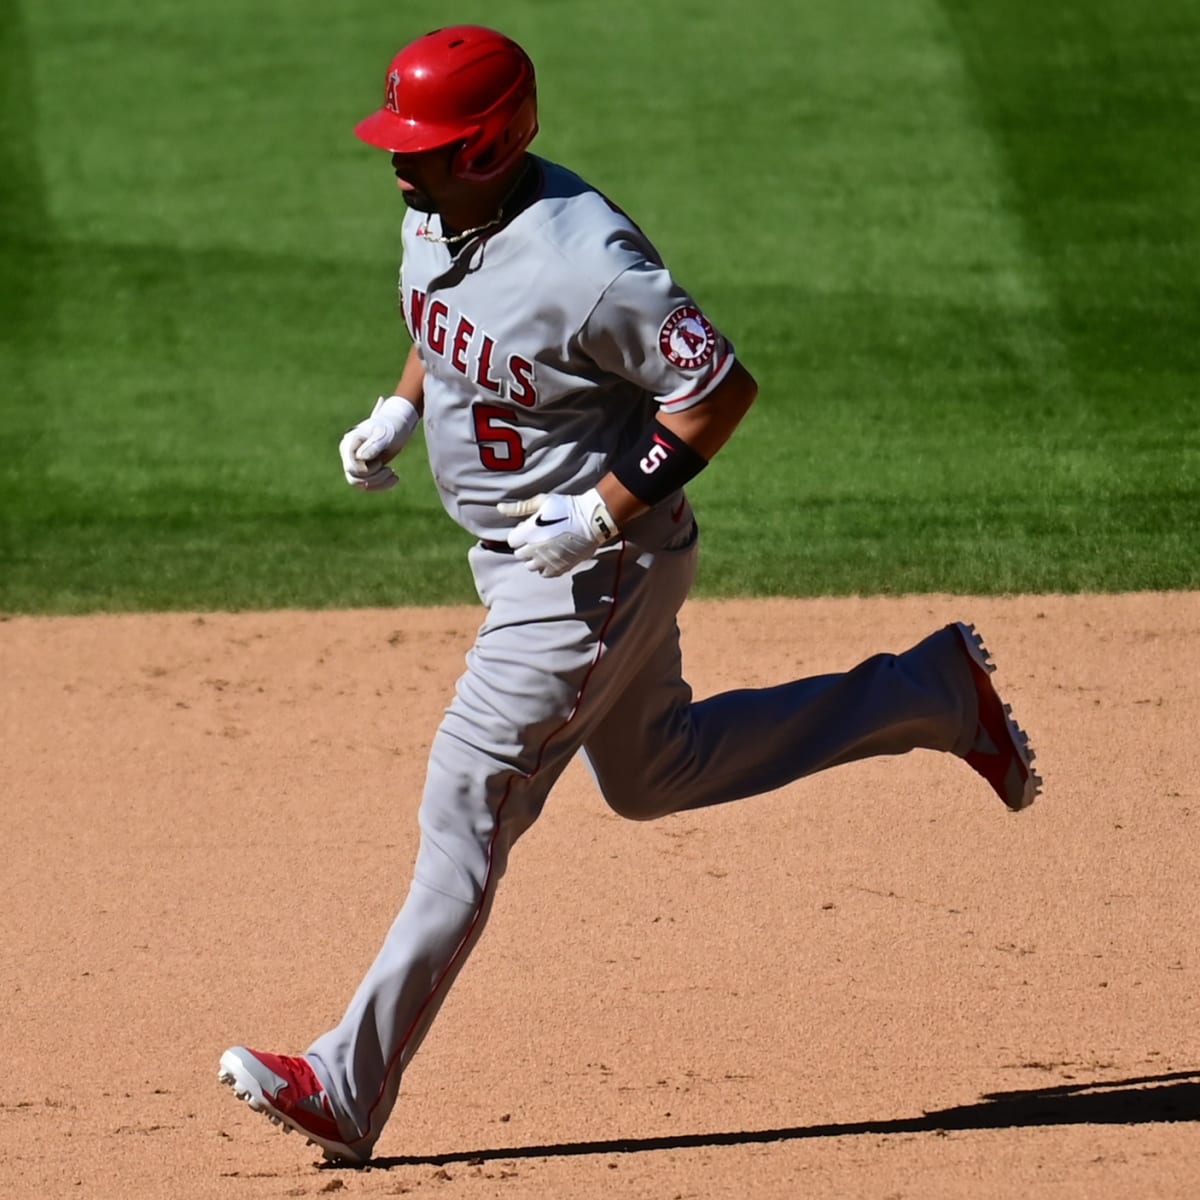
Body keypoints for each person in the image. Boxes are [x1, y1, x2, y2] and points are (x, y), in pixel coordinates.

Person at [218, 25, 1041, 1164]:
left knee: (467, 804)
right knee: (658, 772)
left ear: (496, 143)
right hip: (529, 558)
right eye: (399, 142)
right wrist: (401, 405)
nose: (401, 163)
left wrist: (601, 512)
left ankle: (344, 1082)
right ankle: (932, 693)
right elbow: (440, 317)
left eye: (429, 145)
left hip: (592, 575)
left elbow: (717, 391)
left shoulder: (590, 262)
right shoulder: (437, 208)